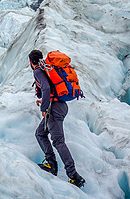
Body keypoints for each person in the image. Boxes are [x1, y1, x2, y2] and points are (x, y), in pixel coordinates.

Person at [29, 50, 86, 188]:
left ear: (31, 62)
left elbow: (47, 88)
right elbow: (51, 90)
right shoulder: (46, 69)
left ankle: (74, 175)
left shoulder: (38, 71)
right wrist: (45, 101)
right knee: (40, 133)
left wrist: (44, 108)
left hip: (54, 109)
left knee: (58, 141)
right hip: (59, 106)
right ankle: (51, 163)